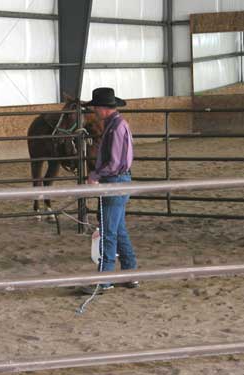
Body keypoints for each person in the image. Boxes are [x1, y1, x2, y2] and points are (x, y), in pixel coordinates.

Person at [82, 87, 138, 295]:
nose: (94, 110)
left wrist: (95, 175)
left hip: (114, 181)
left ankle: (103, 279)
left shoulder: (115, 128)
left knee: (108, 231)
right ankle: (130, 273)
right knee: (119, 229)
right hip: (118, 181)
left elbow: (114, 163)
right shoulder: (115, 125)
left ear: (103, 108)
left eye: (95, 107)